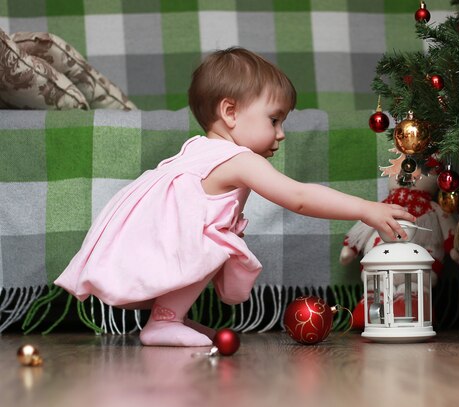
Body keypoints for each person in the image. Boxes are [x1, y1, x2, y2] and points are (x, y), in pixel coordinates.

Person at [54, 47, 415, 347]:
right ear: (230, 113)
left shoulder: (198, 148)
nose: (282, 134)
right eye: (274, 120)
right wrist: (365, 208)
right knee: (211, 240)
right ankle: (164, 322)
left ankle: (168, 318)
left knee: (211, 239)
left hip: (156, 228)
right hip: (170, 232)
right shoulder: (239, 160)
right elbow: (299, 196)